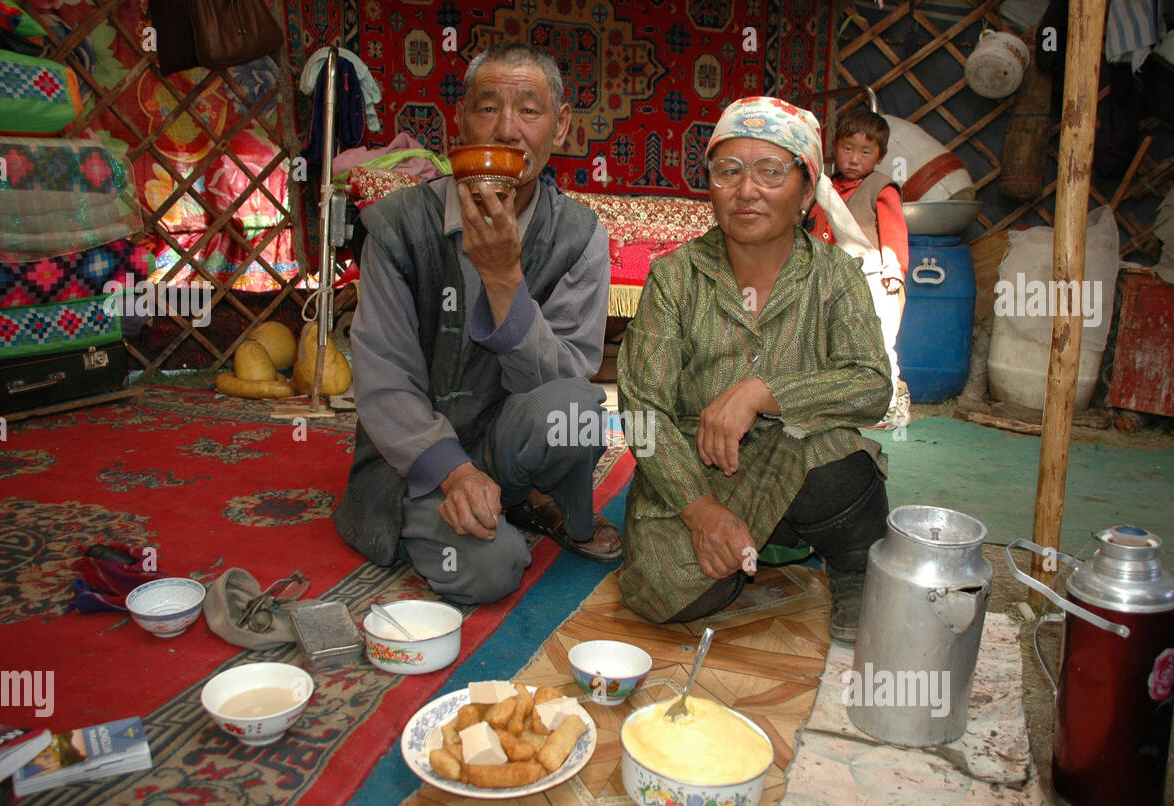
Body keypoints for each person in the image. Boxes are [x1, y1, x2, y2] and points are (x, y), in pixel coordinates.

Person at [334, 42, 621, 605]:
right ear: (459, 125)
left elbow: (566, 375)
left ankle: (528, 494)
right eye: (488, 108)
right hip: (413, 458)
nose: (507, 131)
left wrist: (504, 280)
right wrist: (453, 473)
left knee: (575, 411)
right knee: (490, 571)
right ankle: (484, 501)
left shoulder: (579, 236)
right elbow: (383, 379)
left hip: (506, 437)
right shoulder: (396, 227)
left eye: (530, 111)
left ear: (560, 127)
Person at [617, 96, 892, 639]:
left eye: (771, 172)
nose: (747, 191)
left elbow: (872, 386)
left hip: (799, 455)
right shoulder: (676, 277)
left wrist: (764, 392)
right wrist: (700, 512)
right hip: (702, 467)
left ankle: (855, 565)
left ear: (806, 190)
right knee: (666, 593)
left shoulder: (836, 276)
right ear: (711, 185)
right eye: (729, 171)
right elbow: (642, 413)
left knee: (839, 457)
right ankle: (744, 538)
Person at [813, 108, 911, 430]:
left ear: (880, 156)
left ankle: (891, 404)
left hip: (873, 278)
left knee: (878, 339)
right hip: (830, 279)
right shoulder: (824, 187)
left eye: (865, 152)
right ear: (835, 147)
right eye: (848, 149)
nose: (854, 159)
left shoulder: (881, 188)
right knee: (832, 340)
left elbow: (894, 233)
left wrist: (893, 271)